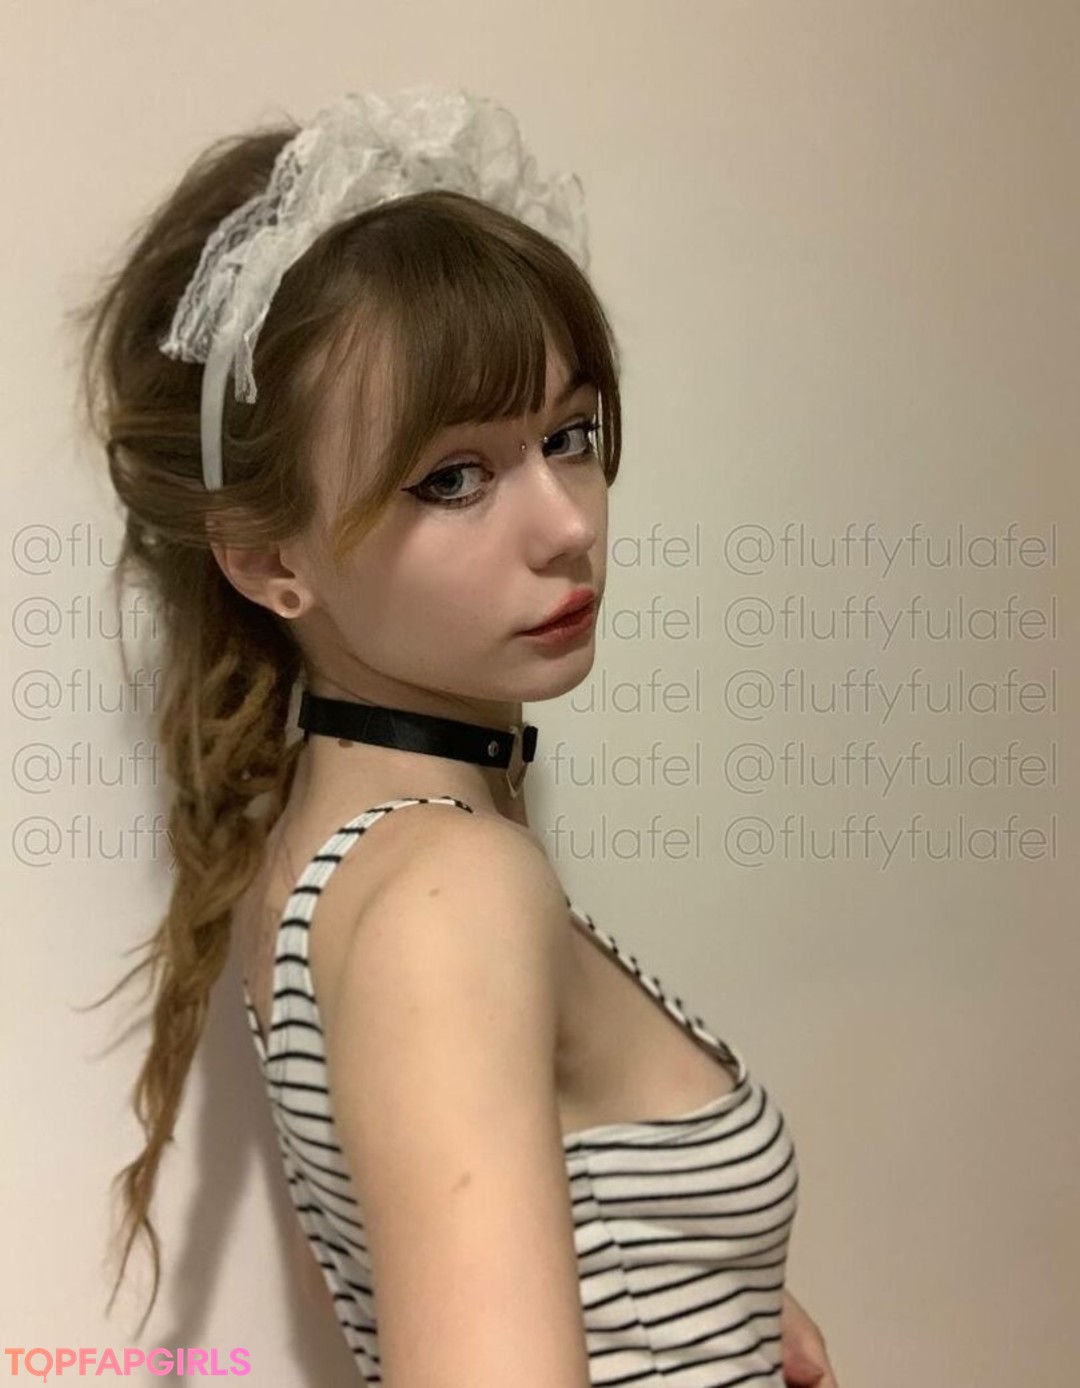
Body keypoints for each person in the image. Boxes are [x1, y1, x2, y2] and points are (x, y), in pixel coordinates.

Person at [75, 86, 838, 1387]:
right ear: (267, 561)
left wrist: (717, 1291)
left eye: (570, 435)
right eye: (454, 478)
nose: (568, 525)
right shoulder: (449, 889)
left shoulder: (328, 851)